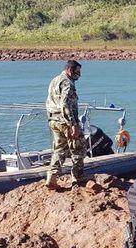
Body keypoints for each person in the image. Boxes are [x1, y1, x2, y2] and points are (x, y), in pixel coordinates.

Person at [45, 60, 86, 189]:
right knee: (78, 147)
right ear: (69, 70)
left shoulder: (55, 80)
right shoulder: (67, 83)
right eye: (77, 72)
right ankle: (77, 177)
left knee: (59, 149)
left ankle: (51, 178)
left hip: (54, 120)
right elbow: (65, 104)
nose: (79, 76)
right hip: (65, 121)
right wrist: (73, 124)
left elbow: (49, 101)